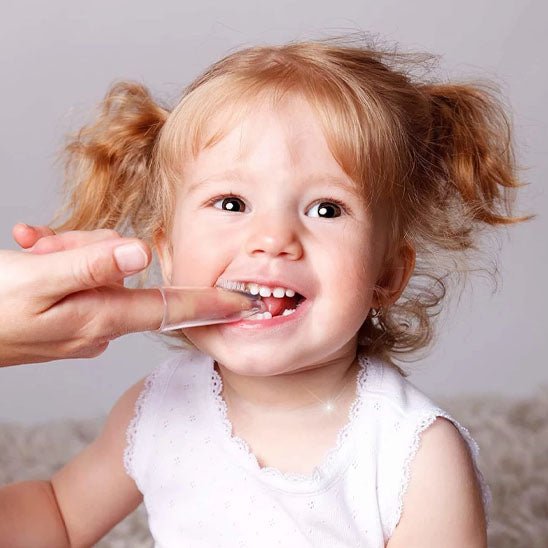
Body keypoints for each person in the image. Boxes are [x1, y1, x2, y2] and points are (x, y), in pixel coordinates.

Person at [0, 37, 532, 547]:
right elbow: (58, 518)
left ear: (387, 276)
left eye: (326, 209)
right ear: (168, 254)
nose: (273, 240)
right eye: (231, 203)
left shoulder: (414, 454)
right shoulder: (158, 406)